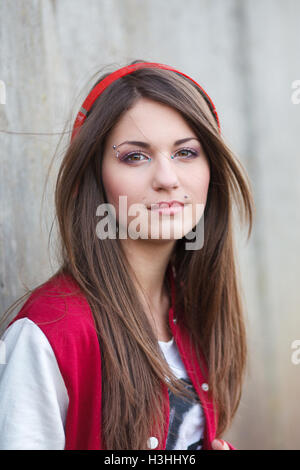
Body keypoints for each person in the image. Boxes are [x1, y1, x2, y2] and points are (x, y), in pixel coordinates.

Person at [0, 60, 254, 450]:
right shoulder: (50, 333)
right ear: (94, 176)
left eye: (186, 153)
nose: (168, 179)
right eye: (135, 156)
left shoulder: (197, 310)